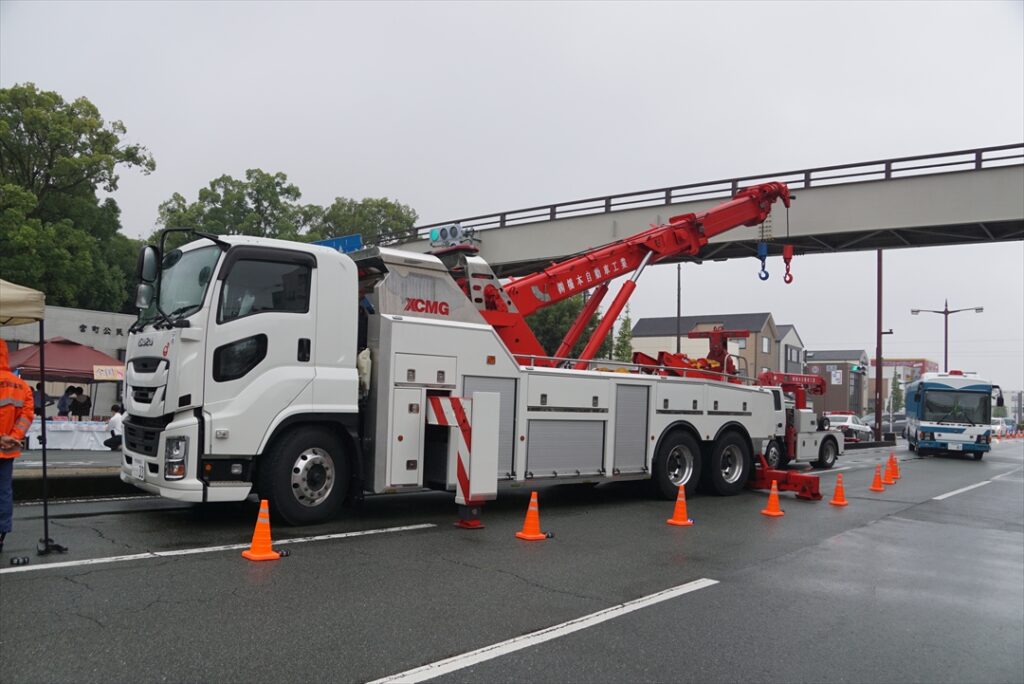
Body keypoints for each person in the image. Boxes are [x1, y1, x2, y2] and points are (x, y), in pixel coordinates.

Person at [0, 340, 34, 554]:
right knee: (3, 492)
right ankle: (1, 534)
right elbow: (26, 416)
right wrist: (13, 436)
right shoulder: (21, 385)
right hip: (8, 449)